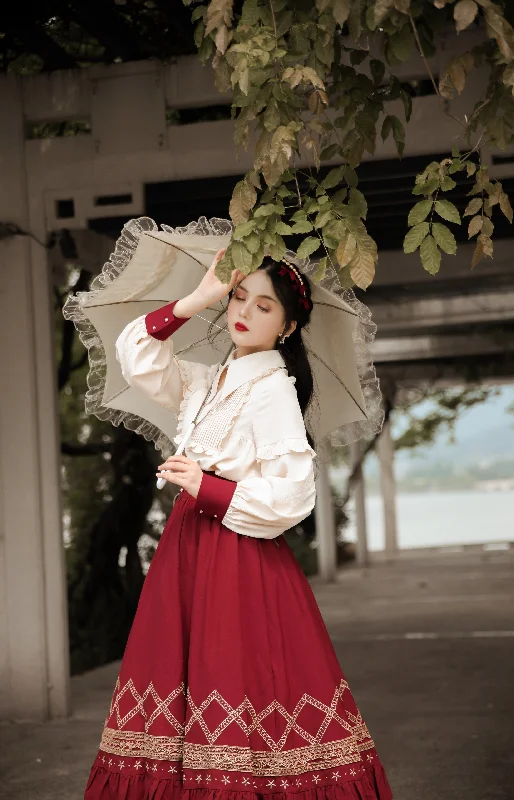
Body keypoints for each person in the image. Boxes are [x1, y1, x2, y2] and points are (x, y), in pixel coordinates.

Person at [84, 249, 393, 800]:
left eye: (265, 305)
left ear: (288, 325)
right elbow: (136, 354)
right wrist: (195, 300)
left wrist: (208, 486)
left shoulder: (272, 390)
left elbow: (294, 495)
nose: (244, 311)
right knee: (181, 690)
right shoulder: (208, 381)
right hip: (189, 546)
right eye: (238, 297)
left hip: (235, 554)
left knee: (232, 681)